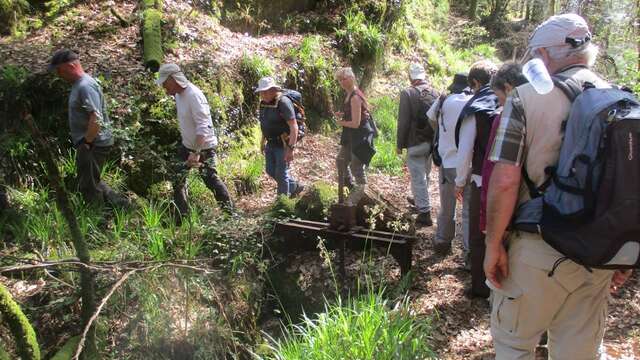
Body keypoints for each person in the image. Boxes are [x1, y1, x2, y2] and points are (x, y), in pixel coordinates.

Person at [485, 14, 632, 359]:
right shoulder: (621, 100)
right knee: (578, 353)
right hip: (597, 253)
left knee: (514, 346)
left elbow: (504, 181)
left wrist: (493, 244)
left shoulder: (523, 98)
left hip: (537, 247)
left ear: (545, 55)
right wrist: (624, 249)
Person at [155, 64, 232, 219]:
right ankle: (182, 217)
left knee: (210, 180)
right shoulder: (178, 95)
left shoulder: (194, 95)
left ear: (173, 79)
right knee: (177, 179)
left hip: (203, 147)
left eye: (165, 83)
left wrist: (196, 152)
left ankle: (231, 214)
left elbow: (204, 125)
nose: (163, 87)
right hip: (186, 146)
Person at [49, 49, 122, 206]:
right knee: (92, 178)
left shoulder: (85, 86)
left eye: (59, 70)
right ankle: (122, 206)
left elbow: (96, 117)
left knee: (88, 185)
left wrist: (87, 143)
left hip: (93, 143)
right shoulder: (80, 85)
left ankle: (97, 219)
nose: (58, 75)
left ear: (70, 66)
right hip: (91, 142)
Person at [455, 60, 499, 298]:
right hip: (513, 177)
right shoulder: (512, 99)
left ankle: (481, 287)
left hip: (482, 177)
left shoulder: (477, 106)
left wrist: (460, 181)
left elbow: (465, 150)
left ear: (474, 82)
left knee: (478, 232)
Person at [479, 62, 528, 233]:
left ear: (508, 89)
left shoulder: (505, 118)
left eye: (497, 95)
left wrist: (488, 221)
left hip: (507, 216)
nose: (497, 101)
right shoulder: (540, 107)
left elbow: (495, 172)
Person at [427, 74, 472, 257]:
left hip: (447, 161)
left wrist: (443, 135)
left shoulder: (443, 100)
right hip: (470, 163)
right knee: (468, 210)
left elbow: (430, 118)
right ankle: (469, 252)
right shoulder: (473, 100)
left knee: (447, 205)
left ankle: (443, 241)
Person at [396, 63, 438, 226]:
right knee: (425, 175)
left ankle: (424, 213)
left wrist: (400, 144)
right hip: (431, 142)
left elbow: (404, 121)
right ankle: (418, 200)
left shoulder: (407, 93)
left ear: (410, 77)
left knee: (418, 177)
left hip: (414, 142)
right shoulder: (436, 93)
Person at [255, 76, 303, 198]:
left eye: (267, 91)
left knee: (281, 174)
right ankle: (295, 187)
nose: (264, 94)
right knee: (270, 170)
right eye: (262, 92)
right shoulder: (263, 104)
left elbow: (294, 127)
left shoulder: (283, 103)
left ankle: (282, 203)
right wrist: (262, 142)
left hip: (283, 144)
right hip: (270, 143)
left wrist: (290, 148)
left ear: (274, 90)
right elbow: (264, 123)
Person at [334, 67, 376, 206]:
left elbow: (356, 123)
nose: (342, 82)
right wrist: (343, 116)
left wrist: (341, 122)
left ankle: (361, 197)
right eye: (340, 80)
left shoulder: (355, 97)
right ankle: (351, 187)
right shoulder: (348, 95)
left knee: (356, 167)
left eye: (344, 79)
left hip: (360, 137)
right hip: (350, 137)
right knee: (340, 160)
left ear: (351, 78)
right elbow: (351, 116)